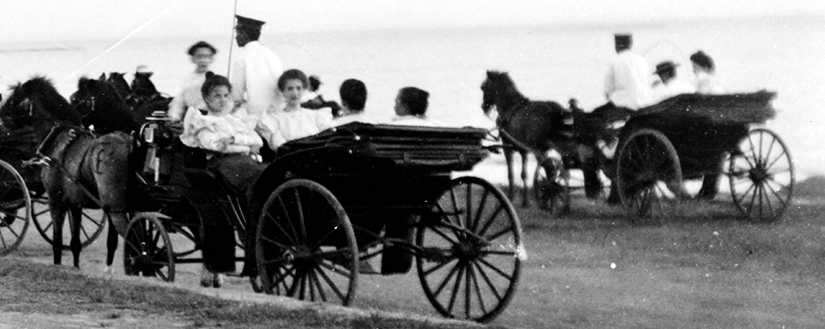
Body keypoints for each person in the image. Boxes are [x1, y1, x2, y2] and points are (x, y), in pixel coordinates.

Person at [179, 72, 265, 288]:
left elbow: (257, 141)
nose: (222, 100)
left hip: (244, 161)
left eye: (226, 95)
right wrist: (245, 145)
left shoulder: (233, 120)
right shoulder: (203, 122)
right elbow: (215, 145)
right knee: (254, 177)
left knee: (266, 172)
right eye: (216, 95)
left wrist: (236, 140)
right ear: (206, 98)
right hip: (221, 165)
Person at [257, 69, 332, 151]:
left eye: (299, 88)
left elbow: (327, 141)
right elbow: (280, 147)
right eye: (290, 89)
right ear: (283, 91)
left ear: (304, 90)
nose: (295, 93)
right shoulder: (275, 120)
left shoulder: (315, 116)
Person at [230, 15, 284, 122]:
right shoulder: (271, 54)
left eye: (238, 33)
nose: (236, 37)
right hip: (279, 111)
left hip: (256, 116)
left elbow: (237, 96)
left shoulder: (242, 57)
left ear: (244, 35)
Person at [167, 41, 217, 122]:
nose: (203, 60)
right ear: (192, 58)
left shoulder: (216, 78)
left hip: (211, 118)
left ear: (212, 59)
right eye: (199, 57)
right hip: (192, 118)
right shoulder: (187, 79)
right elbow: (179, 101)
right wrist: (174, 116)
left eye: (207, 56)